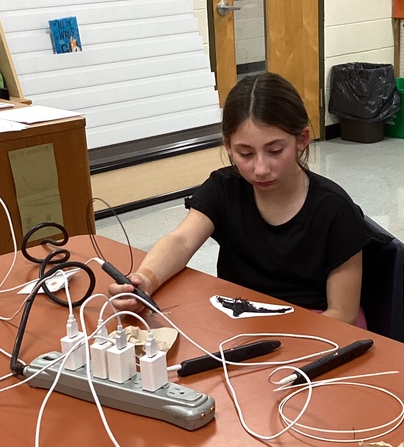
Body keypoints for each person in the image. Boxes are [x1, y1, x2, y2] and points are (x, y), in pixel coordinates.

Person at [107, 72, 377, 326]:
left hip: (316, 328)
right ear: (228, 147)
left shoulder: (334, 210)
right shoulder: (225, 188)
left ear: (302, 139)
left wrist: (277, 341)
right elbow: (181, 240)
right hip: (244, 320)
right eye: (245, 154)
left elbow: (343, 316)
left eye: (274, 150)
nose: (260, 169)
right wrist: (144, 280)